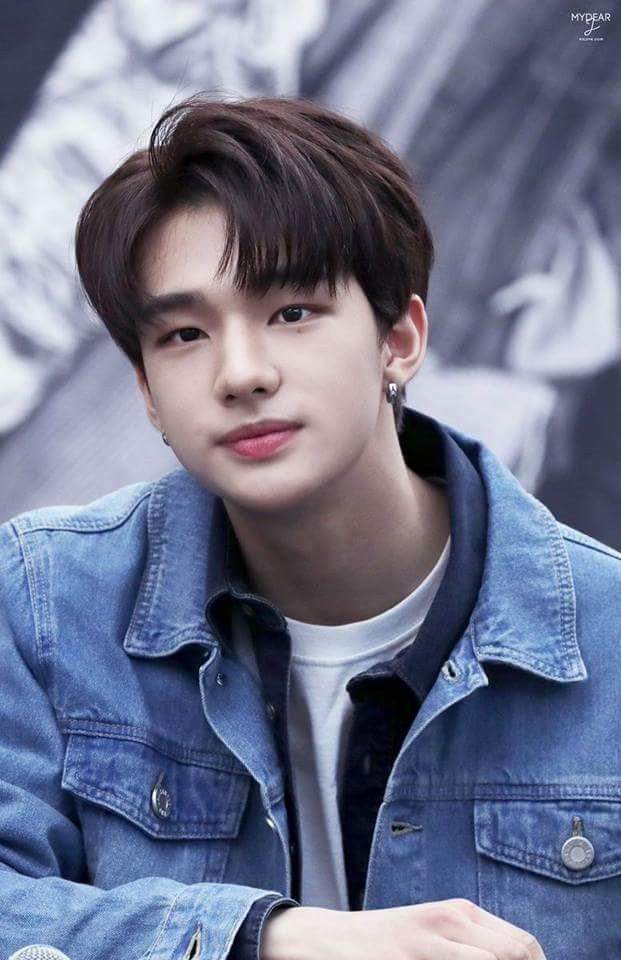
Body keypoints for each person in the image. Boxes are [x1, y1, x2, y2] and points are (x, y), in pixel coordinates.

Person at [0, 94, 619, 960]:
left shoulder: (606, 635)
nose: (240, 374)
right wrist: (265, 940)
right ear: (147, 393)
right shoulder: (45, 600)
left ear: (399, 339)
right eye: (184, 334)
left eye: (291, 312)